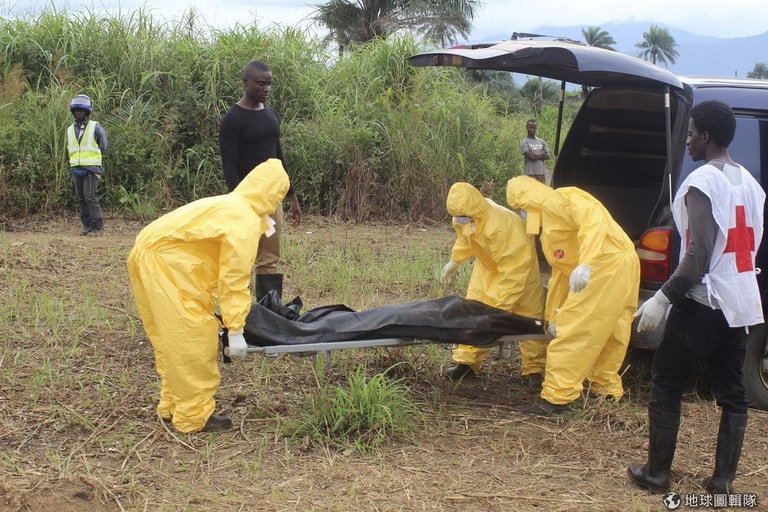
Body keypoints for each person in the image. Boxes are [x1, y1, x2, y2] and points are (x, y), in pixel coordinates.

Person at [628, 100, 765, 494]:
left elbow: (698, 254)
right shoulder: (752, 185)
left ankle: (657, 473)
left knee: (667, 380)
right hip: (739, 305)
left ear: (706, 136)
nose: (687, 141)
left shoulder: (703, 182)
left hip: (704, 303)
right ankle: (723, 483)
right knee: (733, 394)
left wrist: (663, 298)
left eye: (689, 134)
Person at [127, 159, 290, 433]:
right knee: (193, 337)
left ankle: (173, 404)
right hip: (168, 266)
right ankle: (194, 416)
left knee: (170, 338)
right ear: (274, 196)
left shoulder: (230, 204)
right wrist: (235, 328)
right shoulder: (244, 220)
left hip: (147, 254)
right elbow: (233, 279)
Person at [506, 176, 640, 415]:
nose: (522, 214)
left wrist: (587, 263)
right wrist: (553, 315)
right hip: (618, 264)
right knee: (612, 327)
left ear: (527, 200)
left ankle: (557, 397)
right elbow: (560, 274)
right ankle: (605, 389)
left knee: (575, 328)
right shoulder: (547, 226)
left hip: (604, 265)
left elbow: (594, 220)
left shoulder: (565, 198)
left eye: (520, 207)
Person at [439, 182, 546, 387]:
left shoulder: (502, 225)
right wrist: (455, 261)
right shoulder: (464, 215)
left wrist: (500, 308)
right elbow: (466, 239)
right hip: (486, 269)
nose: (460, 220)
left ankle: (534, 368)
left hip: (520, 270)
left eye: (463, 216)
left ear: (474, 210)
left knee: (529, 317)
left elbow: (514, 272)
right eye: (457, 216)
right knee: (473, 312)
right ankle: (467, 363)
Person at [219, 60, 302, 300]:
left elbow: (278, 157)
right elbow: (229, 167)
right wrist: (241, 203)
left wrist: (292, 196)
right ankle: (239, 309)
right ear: (245, 82)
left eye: (269, 84)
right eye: (260, 83)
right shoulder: (233, 120)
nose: (266, 88)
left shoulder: (271, 115)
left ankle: (269, 310)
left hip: (271, 200)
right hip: (246, 202)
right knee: (242, 257)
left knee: (269, 258)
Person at [67, 93, 107, 236]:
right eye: (77, 110)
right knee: (81, 199)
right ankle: (87, 226)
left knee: (90, 196)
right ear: (73, 112)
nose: (79, 113)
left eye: (82, 110)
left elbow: (103, 146)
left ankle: (97, 227)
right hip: (76, 169)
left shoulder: (95, 127)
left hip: (91, 168)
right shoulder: (70, 129)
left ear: (87, 112)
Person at [520, 119, 550, 184]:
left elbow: (548, 156)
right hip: (530, 174)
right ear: (527, 127)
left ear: (536, 128)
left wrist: (534, 155)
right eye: (530, 127)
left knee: (541, 190)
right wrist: (542, 153)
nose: (532, 129)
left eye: (534, 128)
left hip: (541, 173)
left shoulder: (541, 141)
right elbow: (531, 157)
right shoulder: (524, 142)